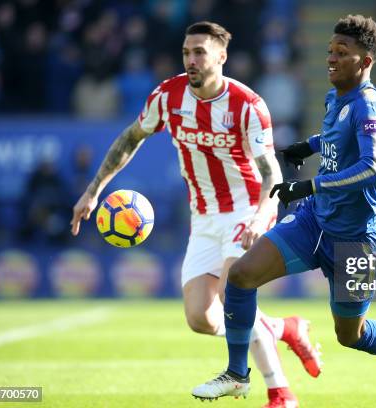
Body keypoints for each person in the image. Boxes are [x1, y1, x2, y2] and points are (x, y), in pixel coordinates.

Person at [71, 21, 322, 408]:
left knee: (232, 291)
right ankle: (282, 327)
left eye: (200, 52)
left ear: (221, 57)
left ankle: (280, 393)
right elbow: (130, 138)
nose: (191, 60)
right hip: (203, 216)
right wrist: (93, 191)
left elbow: (271, 170)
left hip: (245, 206)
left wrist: (260, 216)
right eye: (187, 52)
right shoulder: (167, 96)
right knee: (201, 319)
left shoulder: (247, 104)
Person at [192, 15, 376, 402]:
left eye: (343, 53)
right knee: (240, 276)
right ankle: (238, 374)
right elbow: (338, 134)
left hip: (355, 240)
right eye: (330, 52)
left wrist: (310, 184)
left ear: (365, 61)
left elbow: (372, 169)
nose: (332, 59)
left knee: (349, 335)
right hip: (313, 221)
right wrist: (310, 145)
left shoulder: (369, 107)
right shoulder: (335, 96)